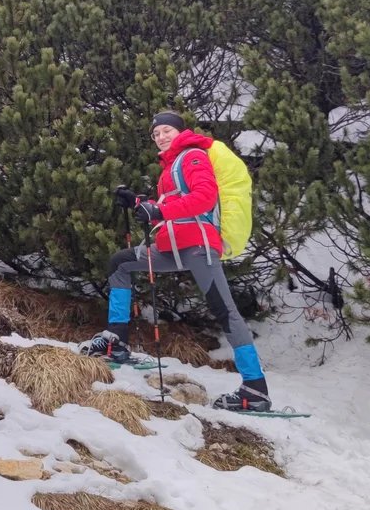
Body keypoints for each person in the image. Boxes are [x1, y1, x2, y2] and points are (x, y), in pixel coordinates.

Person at [79, 111, 273, 412]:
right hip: (173, 245)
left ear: (181, 131)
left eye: (166, 130)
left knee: (225, 311)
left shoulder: (192, 156)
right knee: (121, 263)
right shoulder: (171, 166)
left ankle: (255, 388)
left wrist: (158, 213)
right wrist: (139, 204)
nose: (160, 137)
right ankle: (116, 341)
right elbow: (173, 204)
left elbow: (204, 198)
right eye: (156, 134)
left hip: (198, 245)